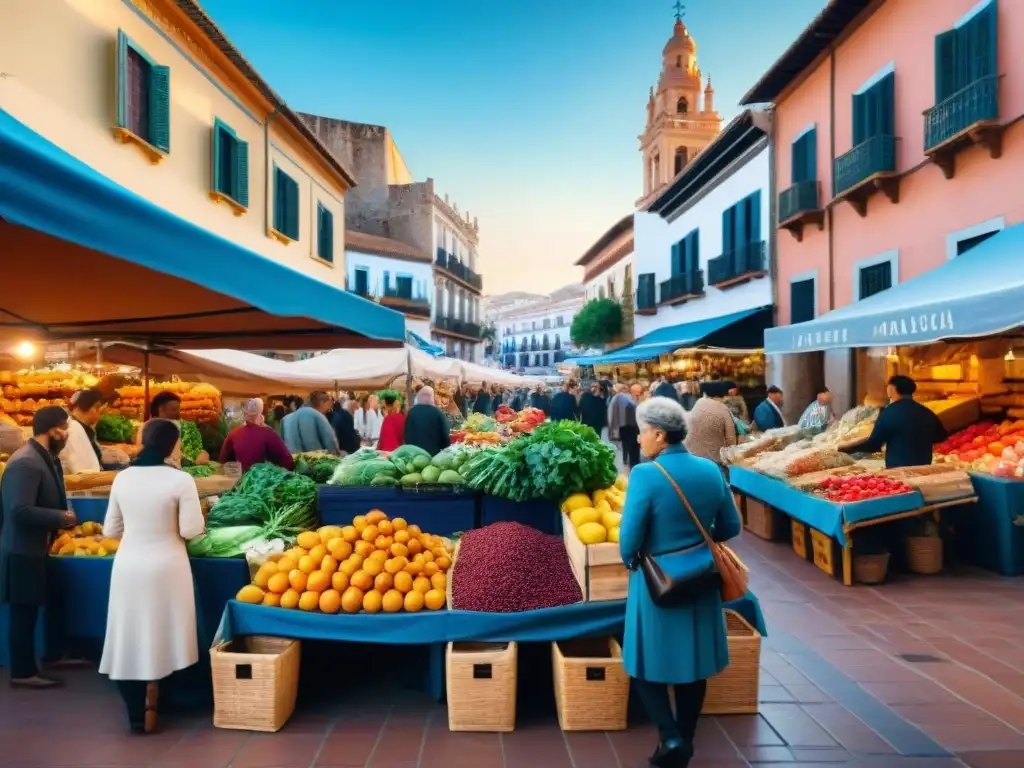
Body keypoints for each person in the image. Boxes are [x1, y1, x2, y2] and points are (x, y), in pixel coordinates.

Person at [619, 397, 741, 768]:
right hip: (702, 576)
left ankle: (670, 737)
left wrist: (632, 559)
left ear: (659, 434)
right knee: (694, 664)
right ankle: (684, 739)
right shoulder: (709, 470)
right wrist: (696, 545)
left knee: (644, 664)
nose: (638, 439)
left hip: (658, 581)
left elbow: (629, 539)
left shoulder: (645, 475)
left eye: (642, 432)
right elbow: (731, 526)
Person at [99, 419, 205, 733]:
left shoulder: (122, 479)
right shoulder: (181, 480)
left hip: (129, 564)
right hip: (168, 564)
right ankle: (164, 699)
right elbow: (190, 530)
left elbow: (111, 530)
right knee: (168, 630)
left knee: (129, 633)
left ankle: (135, 711)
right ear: (172, 445)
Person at [1, 406, 77, 689]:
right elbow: (19, 510)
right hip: (22, 550)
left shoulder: (45, 457)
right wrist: (61, 517)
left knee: (53, 598)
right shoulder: (26, 462)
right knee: (25, 611)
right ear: (52, 430)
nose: (67, 433)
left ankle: (54, 654)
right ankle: (22, 671)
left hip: (40, 548)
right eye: (64, 427)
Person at [840, 375, 947, 468]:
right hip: (924, 469)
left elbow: (873, 445)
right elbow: (942, 436)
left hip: (898, 470)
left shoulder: (889, 413)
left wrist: (846, 449)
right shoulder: (926, 412)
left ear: (892, 389)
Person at [219, 398, 295, 472]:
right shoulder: (268, 433)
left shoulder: (234, 433)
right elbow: (288, 462)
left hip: (242, 480)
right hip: (263, 480)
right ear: (260, 414)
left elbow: (222, 459)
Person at [685, 382, 738, 467]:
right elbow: (731, 439)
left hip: (693, 457)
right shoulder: (723, 409)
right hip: (714, 461)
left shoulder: (697, 404)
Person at [60, 389, 106, 475]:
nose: (99, 413)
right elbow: (82, 469)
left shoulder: (82, 427)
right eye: (97, 408)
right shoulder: (74, 429)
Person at [404, 387, 451, 456]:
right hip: (434, 454)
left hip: (415, 455)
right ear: (432, 397)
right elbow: (445, 433)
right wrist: (445, 448)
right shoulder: (437, 413)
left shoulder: (411, 413)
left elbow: (407, 434)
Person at [609, 384, 641, 470]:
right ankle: (634, 466)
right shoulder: (624, 398)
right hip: (630, 427)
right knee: (633, 449)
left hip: (623, 428)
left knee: (628, 446)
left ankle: (627, 461)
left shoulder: (616, 398)